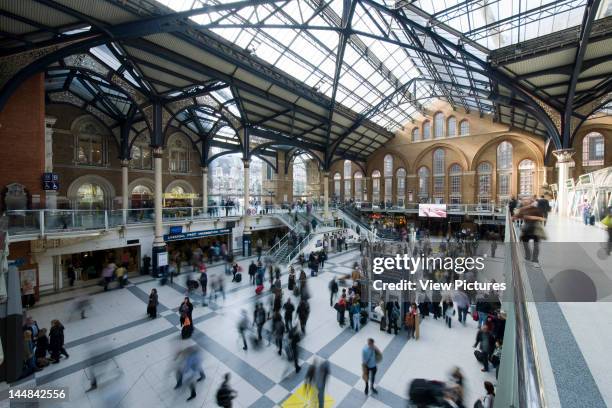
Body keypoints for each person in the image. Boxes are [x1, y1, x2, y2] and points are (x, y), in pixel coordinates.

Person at [514, 197, 546, 263]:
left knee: (534, 244)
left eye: (527, 202)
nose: (525, 203)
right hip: (530, 229)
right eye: (525, 202)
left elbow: (542, 218)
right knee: (533, 244)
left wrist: (530, 217)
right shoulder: (524, 209)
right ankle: (533, 258)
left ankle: (531, 257)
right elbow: (517, 216)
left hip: (531, 229)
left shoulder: (533, 209)